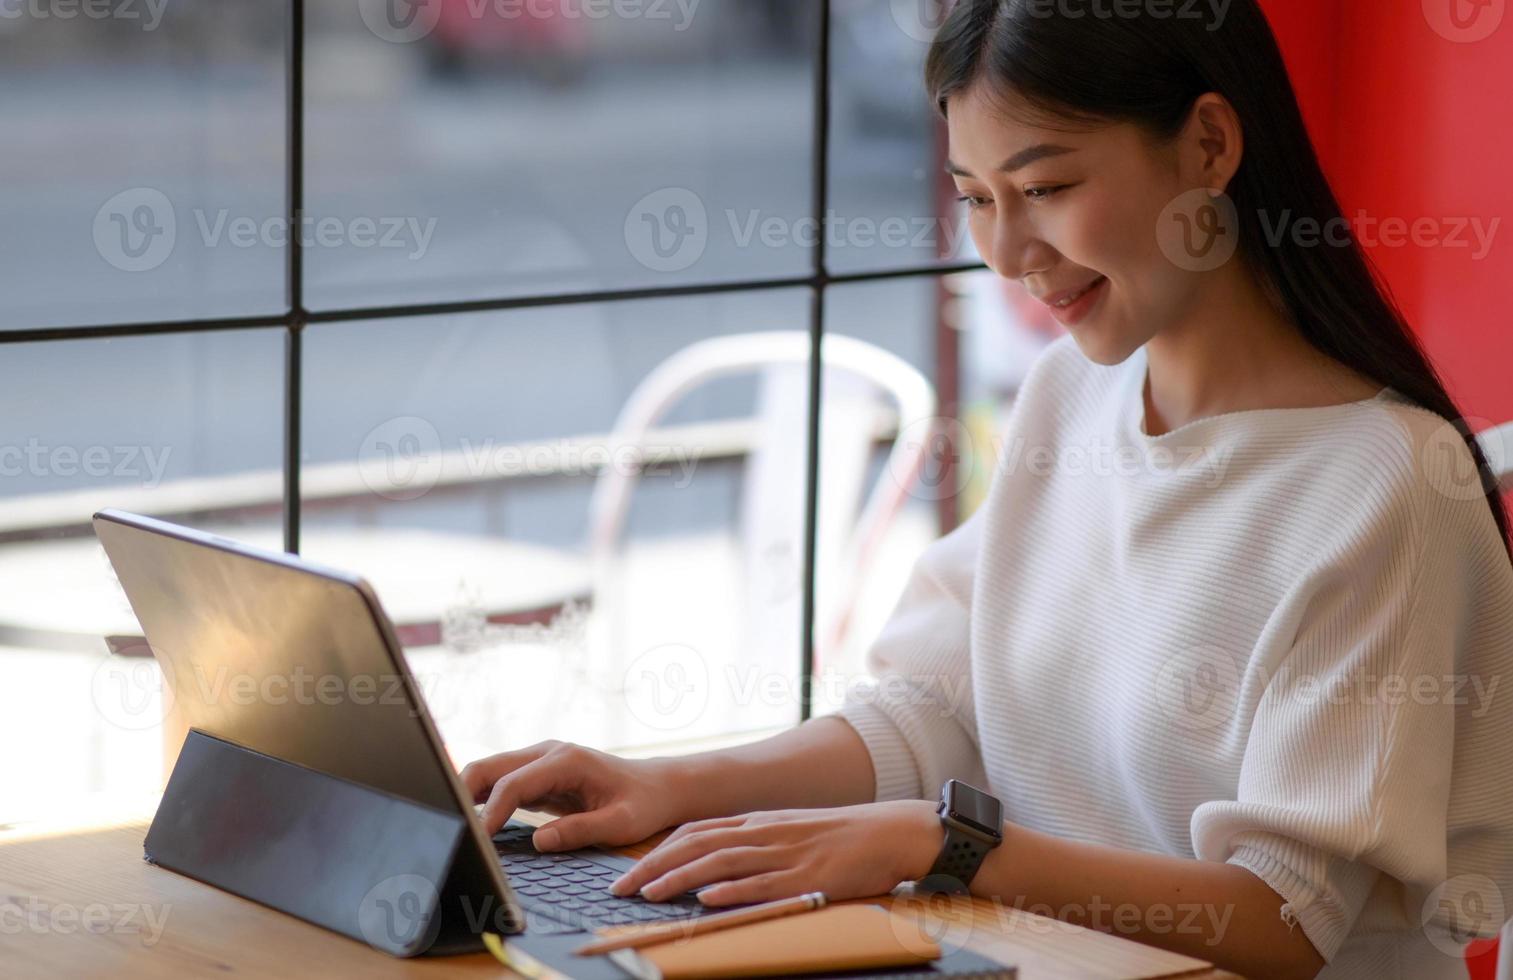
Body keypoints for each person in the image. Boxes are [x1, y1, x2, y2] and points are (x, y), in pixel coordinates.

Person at [460, 2, 1513, 977]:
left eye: (1047, 188)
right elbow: (933, 711)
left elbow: (1283, 918)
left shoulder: (1381, 484)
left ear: (1208, 145)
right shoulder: (1074, 395)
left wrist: (950, 846)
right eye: (975, 198)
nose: (1008, 253)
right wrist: (668, 782)